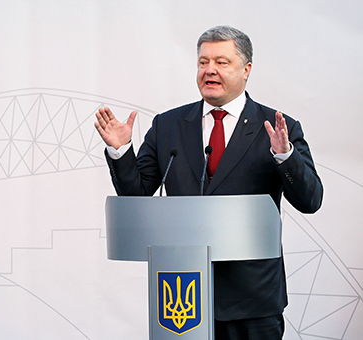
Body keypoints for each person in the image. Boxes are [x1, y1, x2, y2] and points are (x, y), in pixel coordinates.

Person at [94, 26, 323, 340]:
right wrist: (121, 151)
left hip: (252, 301)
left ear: (246, 70)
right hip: (182, 297)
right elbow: (137, 196)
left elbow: (310, 201)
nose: (210, 70)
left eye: (221, 62)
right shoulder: (168, 125)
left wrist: (285, 156)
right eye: (203, 62)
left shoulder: (277, 127)